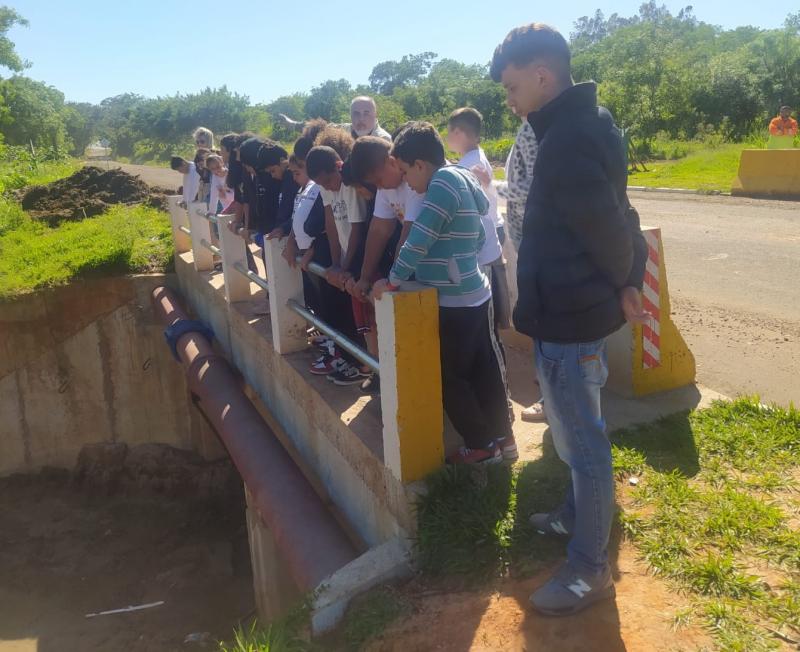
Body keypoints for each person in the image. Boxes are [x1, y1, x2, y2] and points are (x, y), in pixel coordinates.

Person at [490, 23, 648, 616]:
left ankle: (588, 570)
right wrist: (629, 277)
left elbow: (608, 226)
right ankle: (573, 515)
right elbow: (621, 208)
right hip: (567, 310)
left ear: (541, 75)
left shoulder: (567, 139)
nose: (509, 99)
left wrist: (625, 280)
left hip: (571, 317)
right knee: (574, 430)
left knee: (584, 444)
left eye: (511, 87)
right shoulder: (587, 124)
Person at [372, 122, 513, 466]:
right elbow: (480, 226)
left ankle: (480, 445)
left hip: (453, 300)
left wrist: (391, 280)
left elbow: (418, 240)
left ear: (420, 164)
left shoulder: (441, 185)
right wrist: (463, 261)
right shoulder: (462, 175)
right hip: (475, 291)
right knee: (486, 370)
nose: (406, 180)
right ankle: (503, 438)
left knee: (451, 376)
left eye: (406, 171)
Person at [346, 135, 426, 394]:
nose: (379, 187)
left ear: (392, 162)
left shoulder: (414, 180)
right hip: (420, 265)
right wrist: (365, 277)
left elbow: (408, 233)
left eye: (378, 179)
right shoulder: (386, 186)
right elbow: (379, 230)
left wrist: (391, 279)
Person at [446, 108, 511, 332]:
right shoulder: (475, 158)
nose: (447, 137)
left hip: (483, 238)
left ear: (458, 132)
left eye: (449, 131)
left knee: (484, 303)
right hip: (491, 231)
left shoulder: (468, 166)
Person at [279, 96, 391, 141]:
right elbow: (319, 128)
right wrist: (293, 124)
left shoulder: (383, 139)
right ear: (350, 116)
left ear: (376, 115)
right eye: (356, 113)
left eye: (366, 113)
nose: (361, 118)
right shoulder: (345, 130)